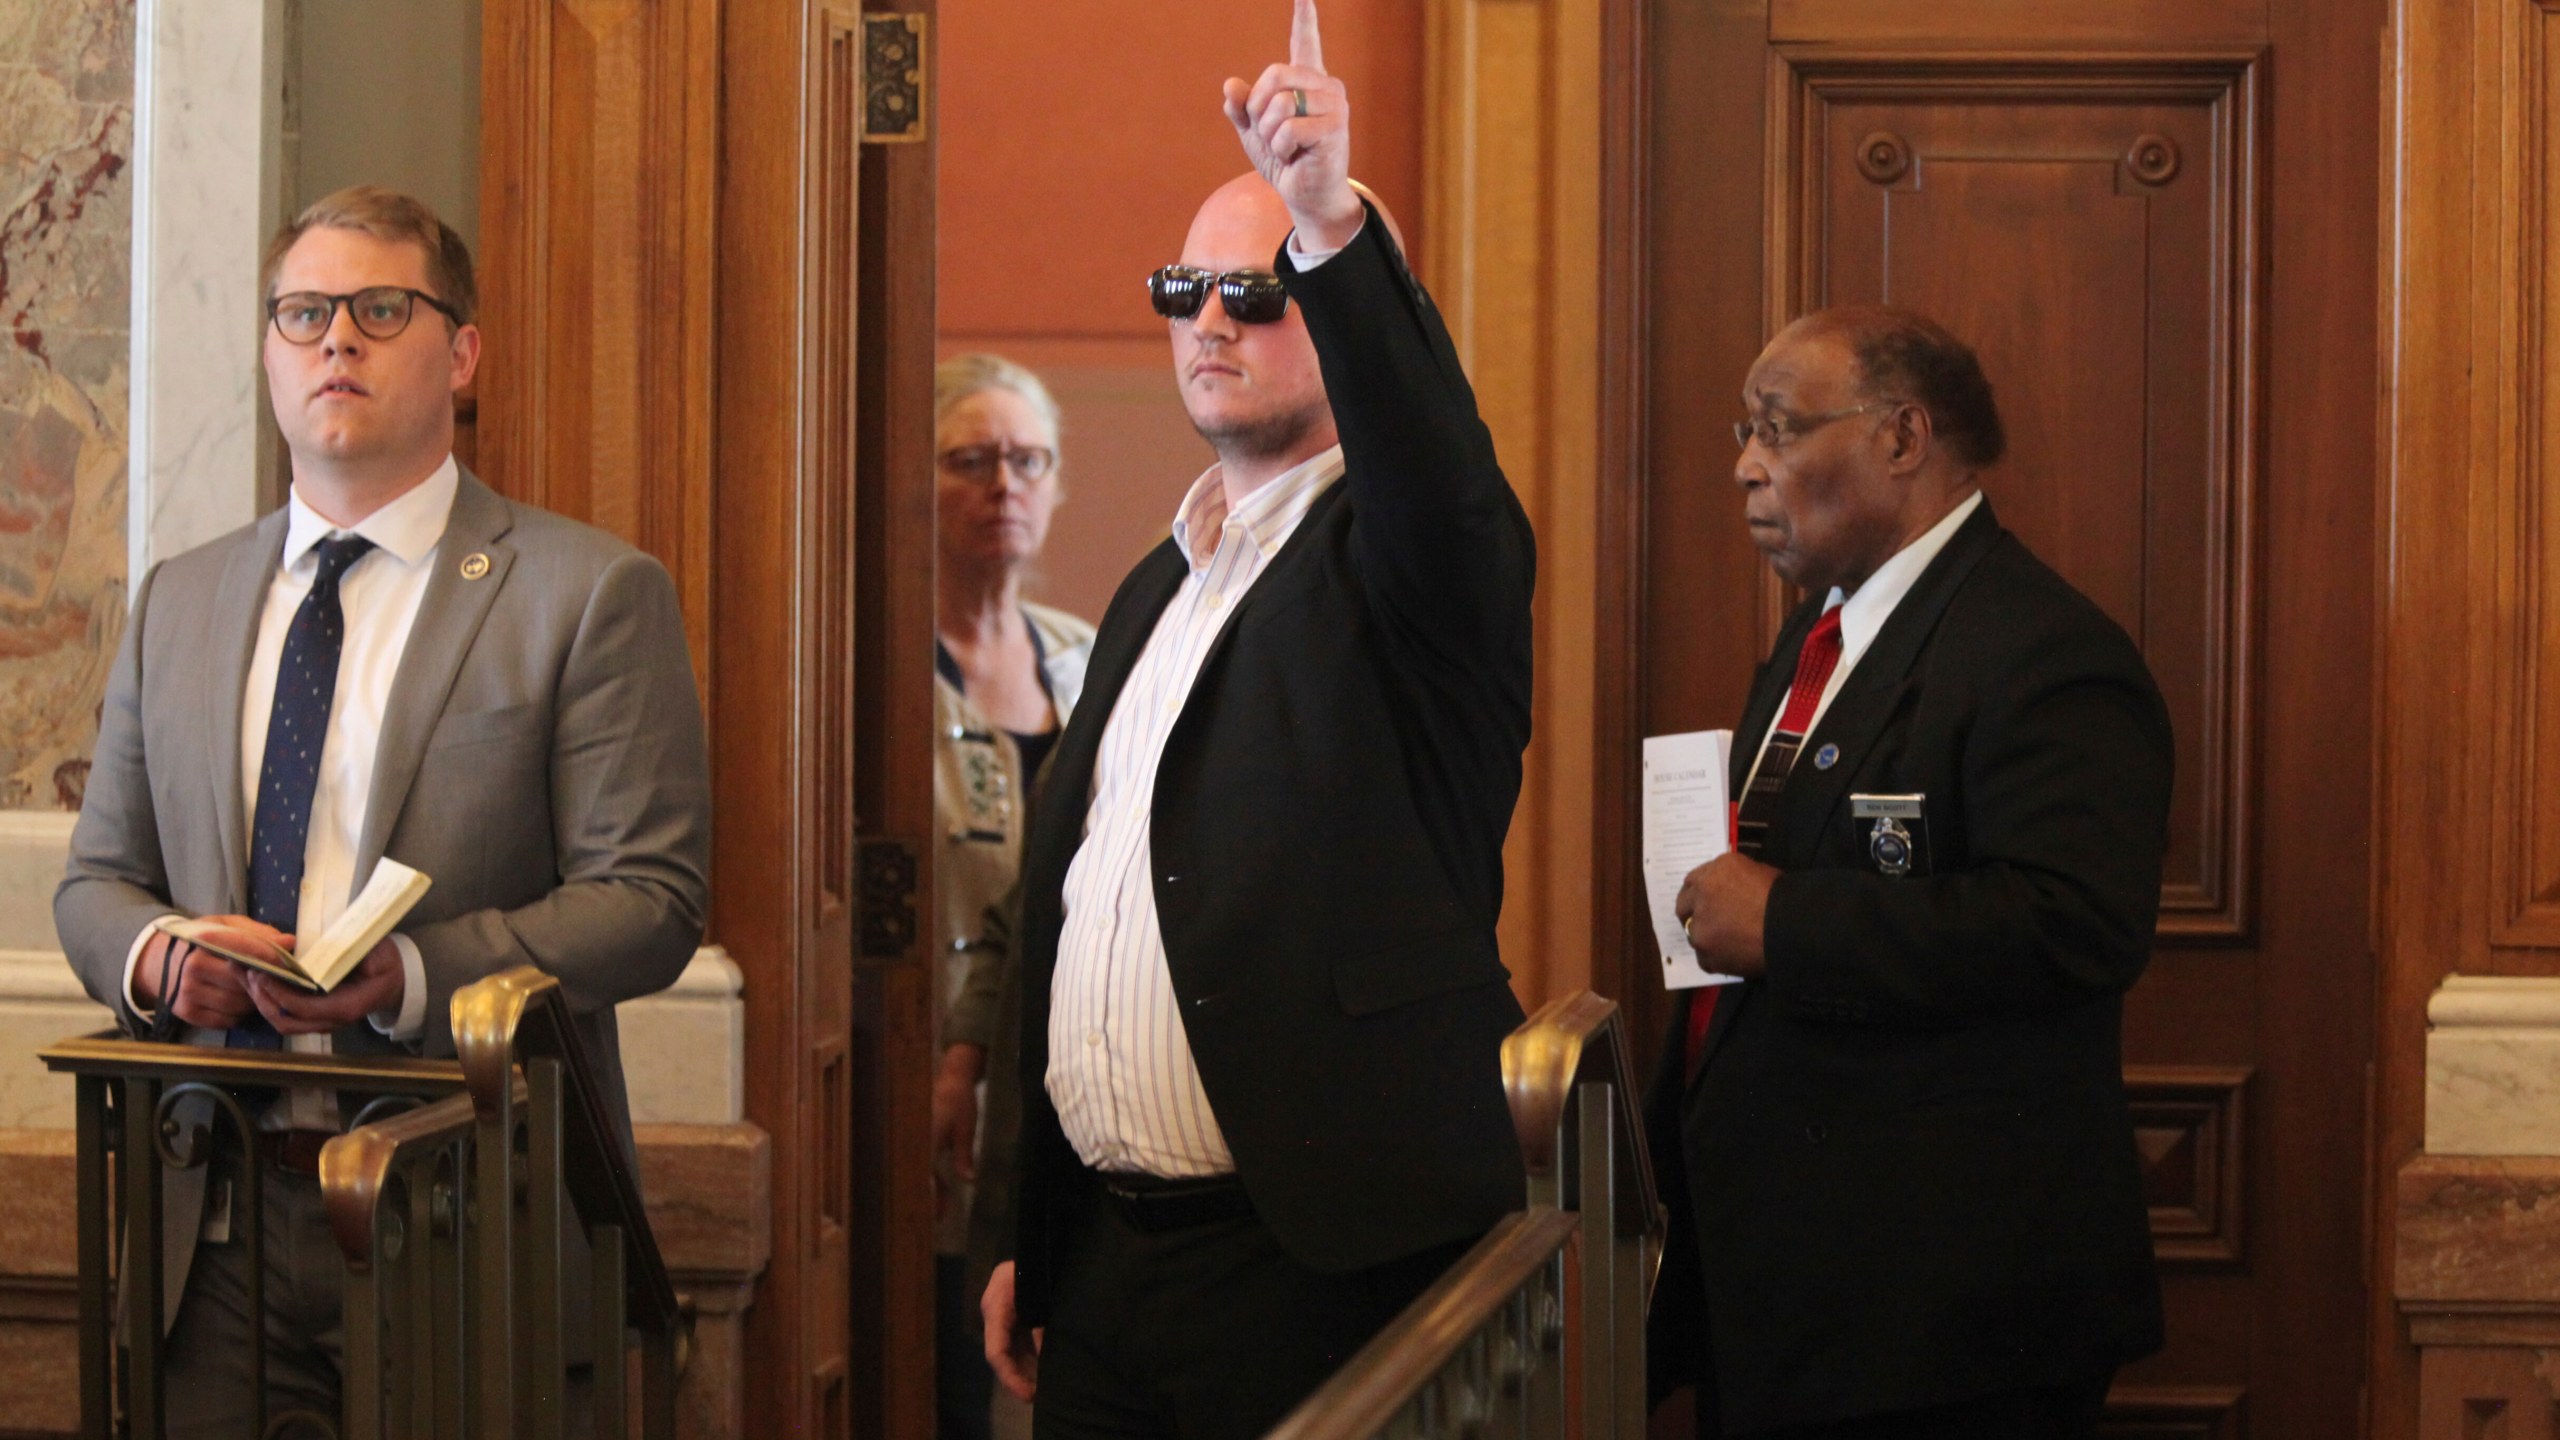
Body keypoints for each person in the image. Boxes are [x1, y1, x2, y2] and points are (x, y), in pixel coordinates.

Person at [55, 186, 710, 1436]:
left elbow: (650, 904)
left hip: (463, 1215)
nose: (335, 341)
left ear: (460, 353)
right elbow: (97, 883)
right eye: (302, 314)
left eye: (379, 308)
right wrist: (160, 961)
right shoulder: (182, 599)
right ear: (267, 350)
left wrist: (410, 974)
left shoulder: (584, 592)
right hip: (215, 1225)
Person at [978, 2, 1537, 1434]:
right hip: (1107, 1267)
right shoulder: (1157, 582)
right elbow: (1065, 917)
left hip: (1316, 1265)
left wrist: (1329, 219)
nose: (1213, 319)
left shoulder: (1419, 559)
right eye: (1189, 288)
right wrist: (1021, 1229)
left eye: (1264, 286)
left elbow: (1434, 462)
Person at [1646, 307, 2171, 1438]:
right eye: (1743, 431)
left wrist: (1786, 924)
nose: (1745, 466)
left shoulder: (2046, 654)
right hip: (1787, 1287)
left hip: (1942, 1321)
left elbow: (2075, 923)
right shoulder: (1812, 638)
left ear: (1900, 437)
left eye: (1777, 429)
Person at [928, 353, 1095, 1440]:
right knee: (942, 1363)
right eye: (973, 460)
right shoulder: (871, 660)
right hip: (930, 1080)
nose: (1005, 485)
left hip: (1063, 1066)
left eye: (1028, 460)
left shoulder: (1089, 655)